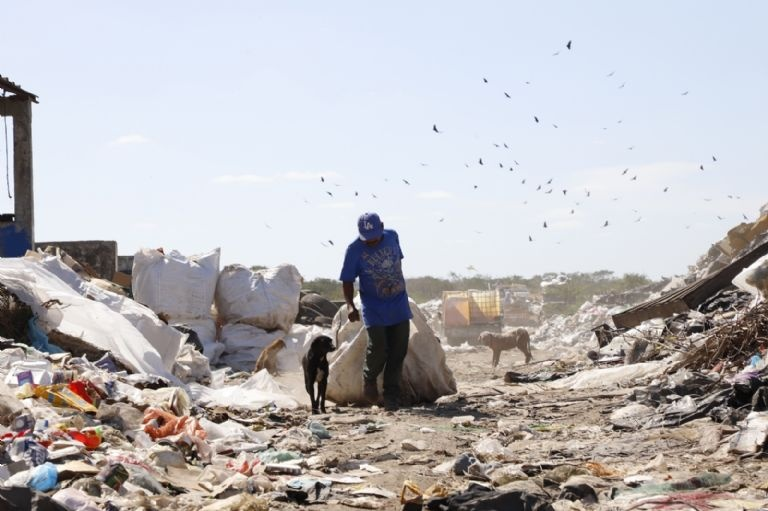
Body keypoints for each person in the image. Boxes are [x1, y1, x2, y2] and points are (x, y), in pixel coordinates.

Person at [340, 212, 412, 411]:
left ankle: (391, 396)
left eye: (374, 237)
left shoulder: (392, 236)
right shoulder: (354, 249)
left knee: (398, 350)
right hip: (373, 305)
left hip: (398, 303)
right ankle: (369, 378)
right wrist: (350, 305)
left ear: (382, 226)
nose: (370, 242)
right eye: (366, 239)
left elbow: (398, 262)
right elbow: (347, 280)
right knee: (379, 346)